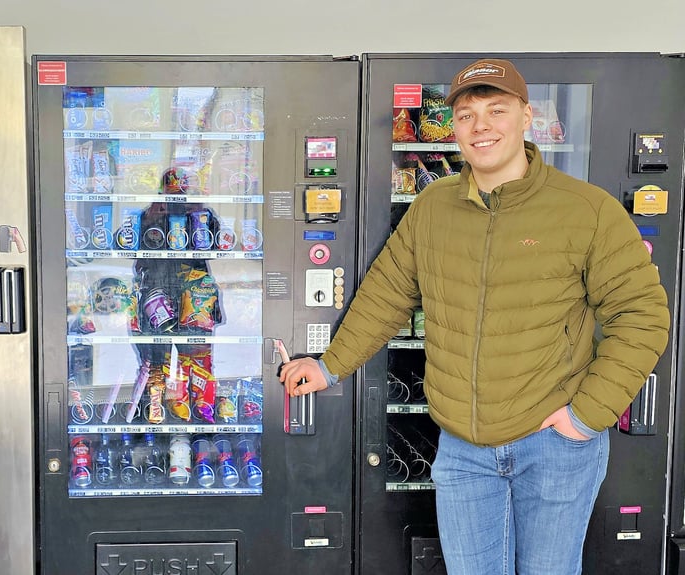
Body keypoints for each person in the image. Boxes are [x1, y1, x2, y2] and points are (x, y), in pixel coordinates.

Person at [278, 58, 668, 574]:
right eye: (466, 115)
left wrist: (587, 414)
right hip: (463, 450)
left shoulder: (587, 211)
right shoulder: (433, 206)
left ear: (526, 116)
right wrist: (329, 366)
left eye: (496, 110)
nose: (480, 126)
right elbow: (386, 294)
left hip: (553, 444)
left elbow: (641, 315)